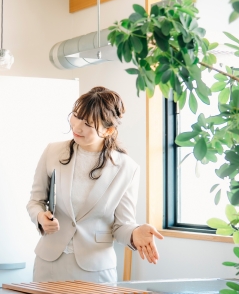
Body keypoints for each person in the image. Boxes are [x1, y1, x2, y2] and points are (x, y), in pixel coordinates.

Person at [26, 86, 163, 283]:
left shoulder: (127, 168)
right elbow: (35, 201)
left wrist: (134, 233)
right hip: (49, 264)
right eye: (76, 116)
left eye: (88, 124)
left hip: (96, 270)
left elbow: (121, 225)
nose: (77, 127)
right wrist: (40, 216)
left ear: (108, 130)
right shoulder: (53, 152)